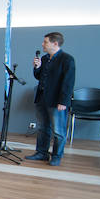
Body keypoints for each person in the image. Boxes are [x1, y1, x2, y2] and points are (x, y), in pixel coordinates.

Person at [28, 31, 76, 166]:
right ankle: (41, 153)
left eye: (45, 42)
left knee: (58, 131)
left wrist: (63, 101)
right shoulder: (44, 59)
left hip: (56, 101)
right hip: (42, 98)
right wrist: (37, 68)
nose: (43, 44)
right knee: (43, 127)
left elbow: (68, 82)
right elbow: (39, 77)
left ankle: (56, 156)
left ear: (55, 43)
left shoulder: (67, 59)